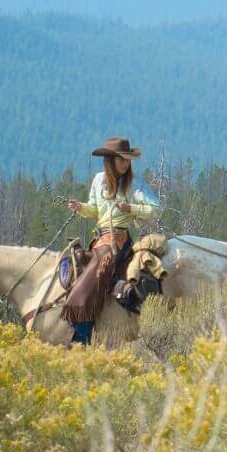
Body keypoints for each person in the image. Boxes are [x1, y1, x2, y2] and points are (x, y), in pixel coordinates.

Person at [62, 137, 158, 344]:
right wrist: (81, 208)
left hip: (118, 240)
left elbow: (155, 209)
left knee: (95, 274)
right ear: (110, 160)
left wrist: (130, 208)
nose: (125, 164)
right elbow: (95, 210)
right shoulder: (98, 180)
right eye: (121, 159)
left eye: (127, 160)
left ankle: (81, 337)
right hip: (100, 239)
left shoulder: (135, 183)